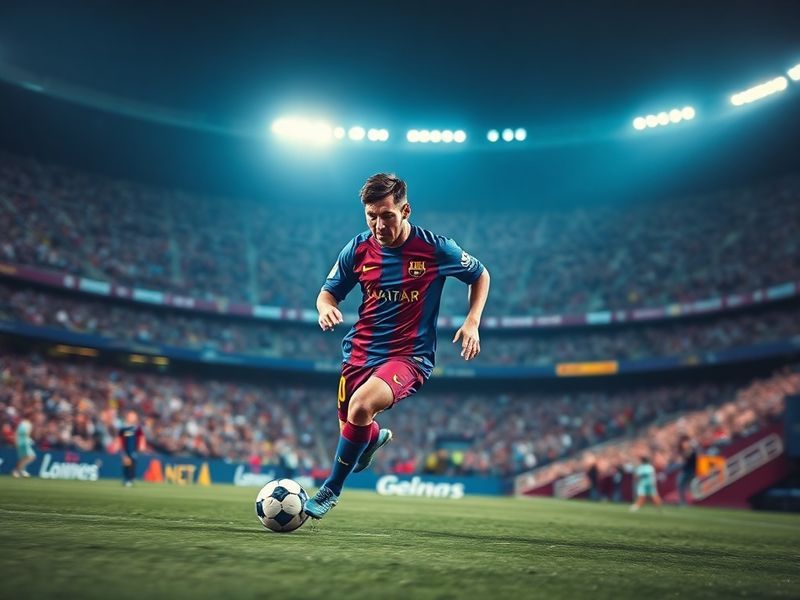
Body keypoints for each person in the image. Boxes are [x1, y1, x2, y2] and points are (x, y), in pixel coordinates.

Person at [305, 173, 490, 519]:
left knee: (361, 406)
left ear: (405, 211)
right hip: (360, 352)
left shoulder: (435, 248)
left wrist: (473, 321)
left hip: (409, 355)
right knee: (354, 426)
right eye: (371, 216)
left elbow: (480, 274)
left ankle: (330, 490)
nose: (379, 225)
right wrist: (325, 308)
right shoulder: (357, 249)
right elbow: (327, 293)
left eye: (387, 215)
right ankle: (373, 437)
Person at [118, 411, 143, 487]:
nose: (133, 418)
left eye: (134, 416)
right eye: (131, 416)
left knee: (133, 464)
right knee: (127, 464)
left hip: (133, 449)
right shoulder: (124, 428)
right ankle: (127, 479)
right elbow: (121, 437)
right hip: (126, 449)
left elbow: (140, 437)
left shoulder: (136, 428)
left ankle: (131, 479)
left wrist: (141, 446)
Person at [677, 436, 698, 506]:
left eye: (685, 443)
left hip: (691, 472)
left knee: (690, 487)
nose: (684, 444)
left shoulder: (692, 450)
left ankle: (690, 501)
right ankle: (683, 502)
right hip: (685, 471)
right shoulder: (684, 451)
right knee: (681, 486)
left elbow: (688, 456)